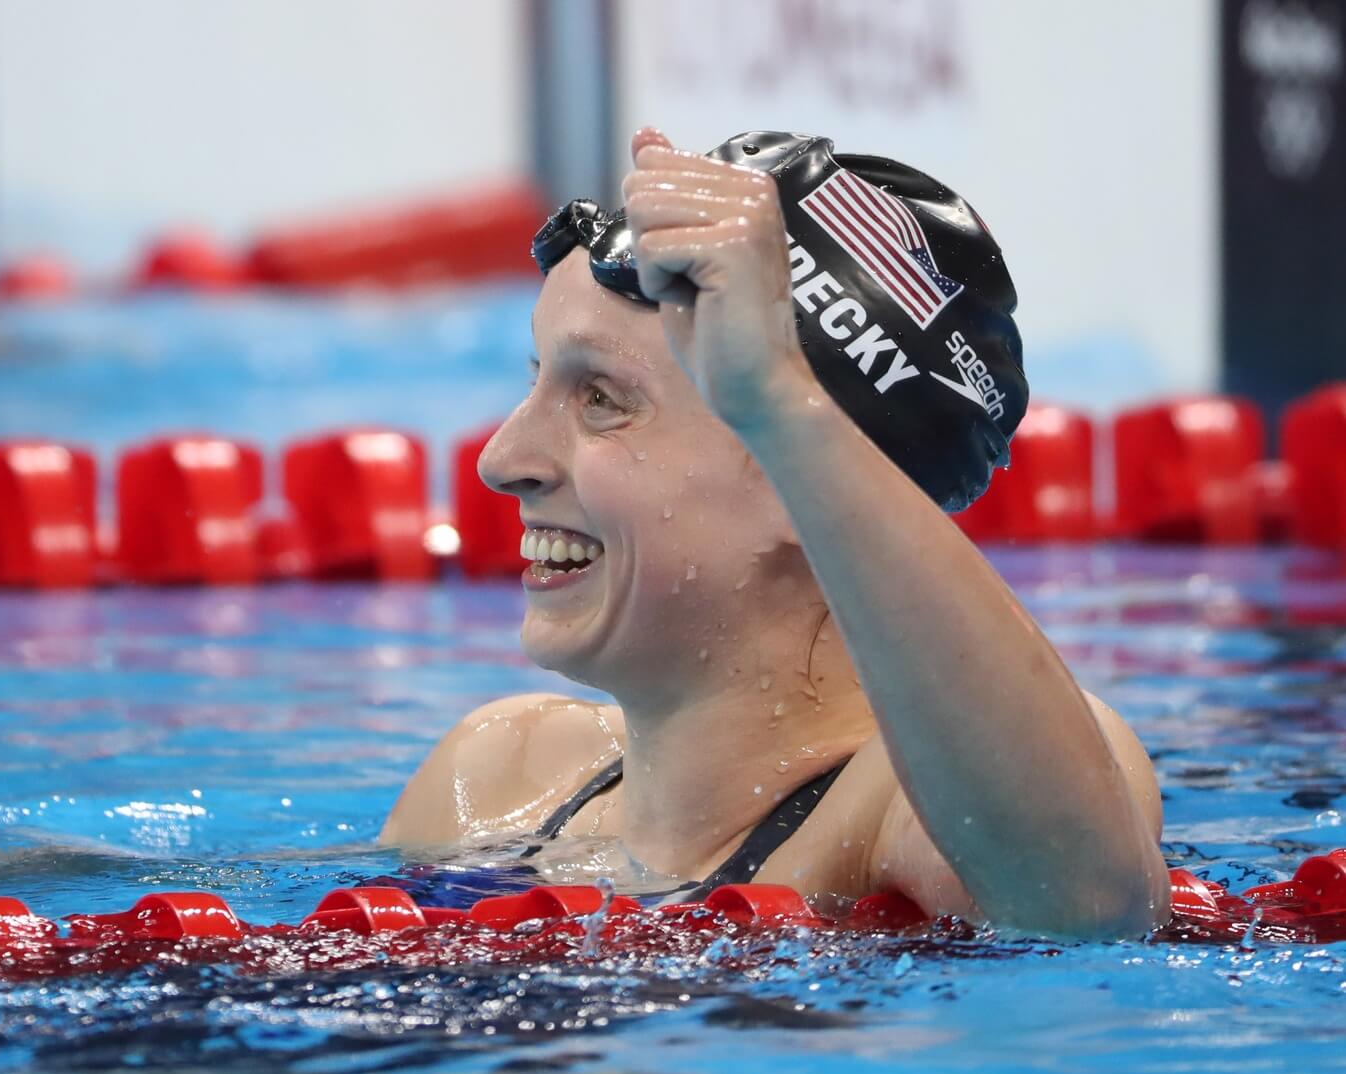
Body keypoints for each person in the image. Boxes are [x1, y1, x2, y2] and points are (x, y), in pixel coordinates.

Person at [380, 128, 1168, 938]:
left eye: (602, 400)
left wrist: (781, 403)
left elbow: (1088, 908)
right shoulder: (499, 776)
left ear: (799, 478)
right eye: (537, 379)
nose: (502, 460)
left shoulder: (906, 810)